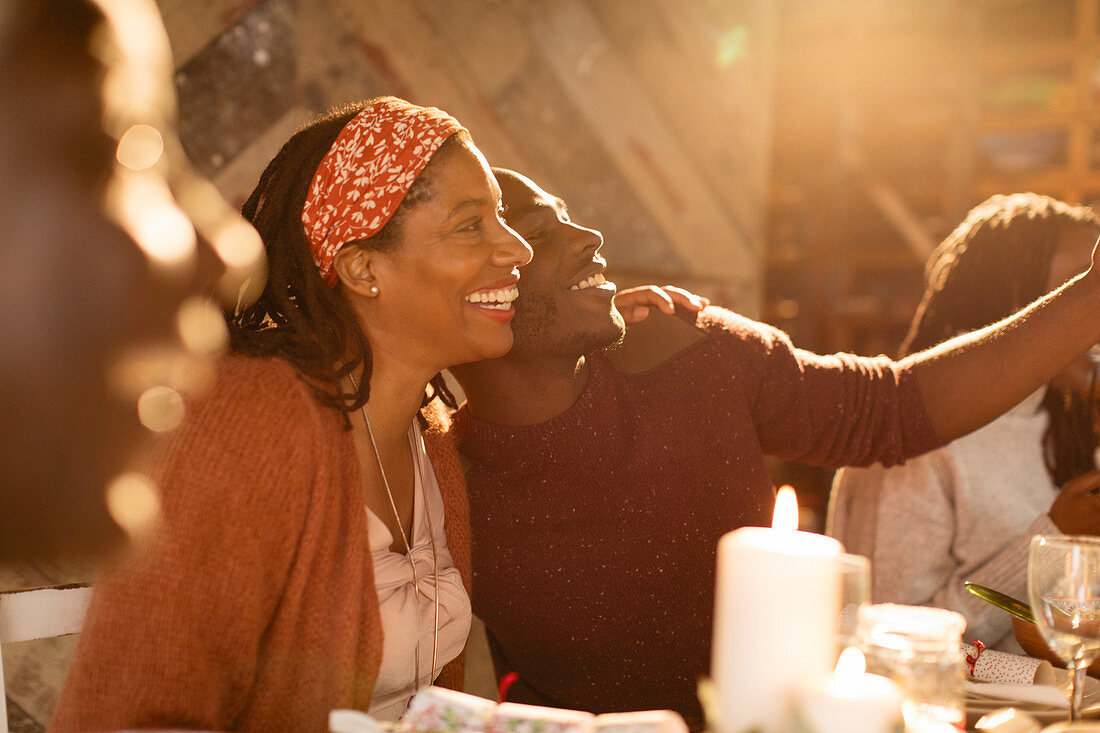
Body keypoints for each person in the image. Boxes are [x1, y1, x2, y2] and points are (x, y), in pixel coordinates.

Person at [447, 170, 1100, 724]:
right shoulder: (439, 475)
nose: (589, 236)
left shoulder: (691, 350)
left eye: (567, 218)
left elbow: (889, 407)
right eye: (538, 231)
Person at [51, 97, 533, 732]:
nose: (517, 249)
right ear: (362, 267)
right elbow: (126, 714)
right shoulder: (244, 421)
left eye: (501, 219)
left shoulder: (431, 443)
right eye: (471, 225)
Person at [829, 193, 1100, 653]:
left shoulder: (1065, 421)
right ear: (1014, 301)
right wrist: (1051, 544)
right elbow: (890, 642)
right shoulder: (913, 436)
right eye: (1078, 296)